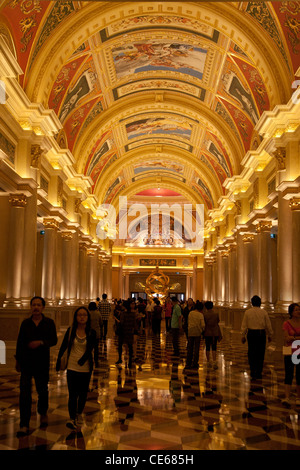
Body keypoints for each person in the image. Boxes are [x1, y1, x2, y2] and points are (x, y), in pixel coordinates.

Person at [15, 296, 57, 436]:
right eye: (33, 305)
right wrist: (18, 361)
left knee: (42, 390)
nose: (36, 307)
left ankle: (43, 411)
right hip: (27, 362)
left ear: (43, 307)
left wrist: (40, 342)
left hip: (42, 362)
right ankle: (24, 424)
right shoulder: (25, 323)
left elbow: (54, 340)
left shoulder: (49, 323)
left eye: (38, 305)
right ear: (31, 307)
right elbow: (20, 342)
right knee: (25, 394)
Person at [56, 306, 98, 430]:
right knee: (72, 394)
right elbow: (63, 346)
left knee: (83, 393)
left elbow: (92, 349)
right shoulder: (71, 330)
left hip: (85, 367)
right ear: (75, 317)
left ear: (88, 317)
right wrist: (58, 362)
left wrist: (89, 361)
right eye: (79, 315)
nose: (82, 317)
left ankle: (79, 413)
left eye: (84, 315)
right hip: (72, 366)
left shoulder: (91, 332)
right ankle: (71, 418)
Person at [241, 295, 273, 380]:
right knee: (260, 353)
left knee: (251, 352)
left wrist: (243, 335)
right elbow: (268, 325)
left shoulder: (247, 312)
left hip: (251, 334)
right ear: (260, 303)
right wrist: (270, 335)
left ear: (252, 303)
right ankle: (259, 372)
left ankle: (252, 371)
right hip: (261, 334)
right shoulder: (264, 312)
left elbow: (244, 325)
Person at [282, 303, 300, 406]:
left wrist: (293, 338)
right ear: (291, 312)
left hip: (299, 351)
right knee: (288, 373)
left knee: (299, 374)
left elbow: (290, 337)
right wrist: (297, 338)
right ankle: (287, 397)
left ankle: (298, 397)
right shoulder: (286, 323)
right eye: (296, 310)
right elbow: (286, 338)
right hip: (290, 351)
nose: (298, 312)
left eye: (299, 310)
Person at [116, 299, 136, 368]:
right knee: (130, 347)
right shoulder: (133, 314)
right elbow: (134, 324)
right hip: (130, 331)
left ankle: (119, 359)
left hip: (123, 332)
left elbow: (121, 323)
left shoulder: (123, 314)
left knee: (120, 345)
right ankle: (130, 360)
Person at [185, 301, 205, 369]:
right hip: (197, 332)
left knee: (190, 348)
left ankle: (188, 363)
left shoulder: (191, 313)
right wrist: (202, 330)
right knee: (196, 348)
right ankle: (195, 363)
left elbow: (188, 321)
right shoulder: (200, 315)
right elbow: (203, 325)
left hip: (190, 331)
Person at [203, 301, 221, 370]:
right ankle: (214, 361)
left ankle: (208, 361)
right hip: (215, 332)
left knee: (207, 346)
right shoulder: (216, 314)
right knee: (214, 347)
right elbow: (218, 321)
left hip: (207, 332)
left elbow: (204, 323)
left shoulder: (205, 314)